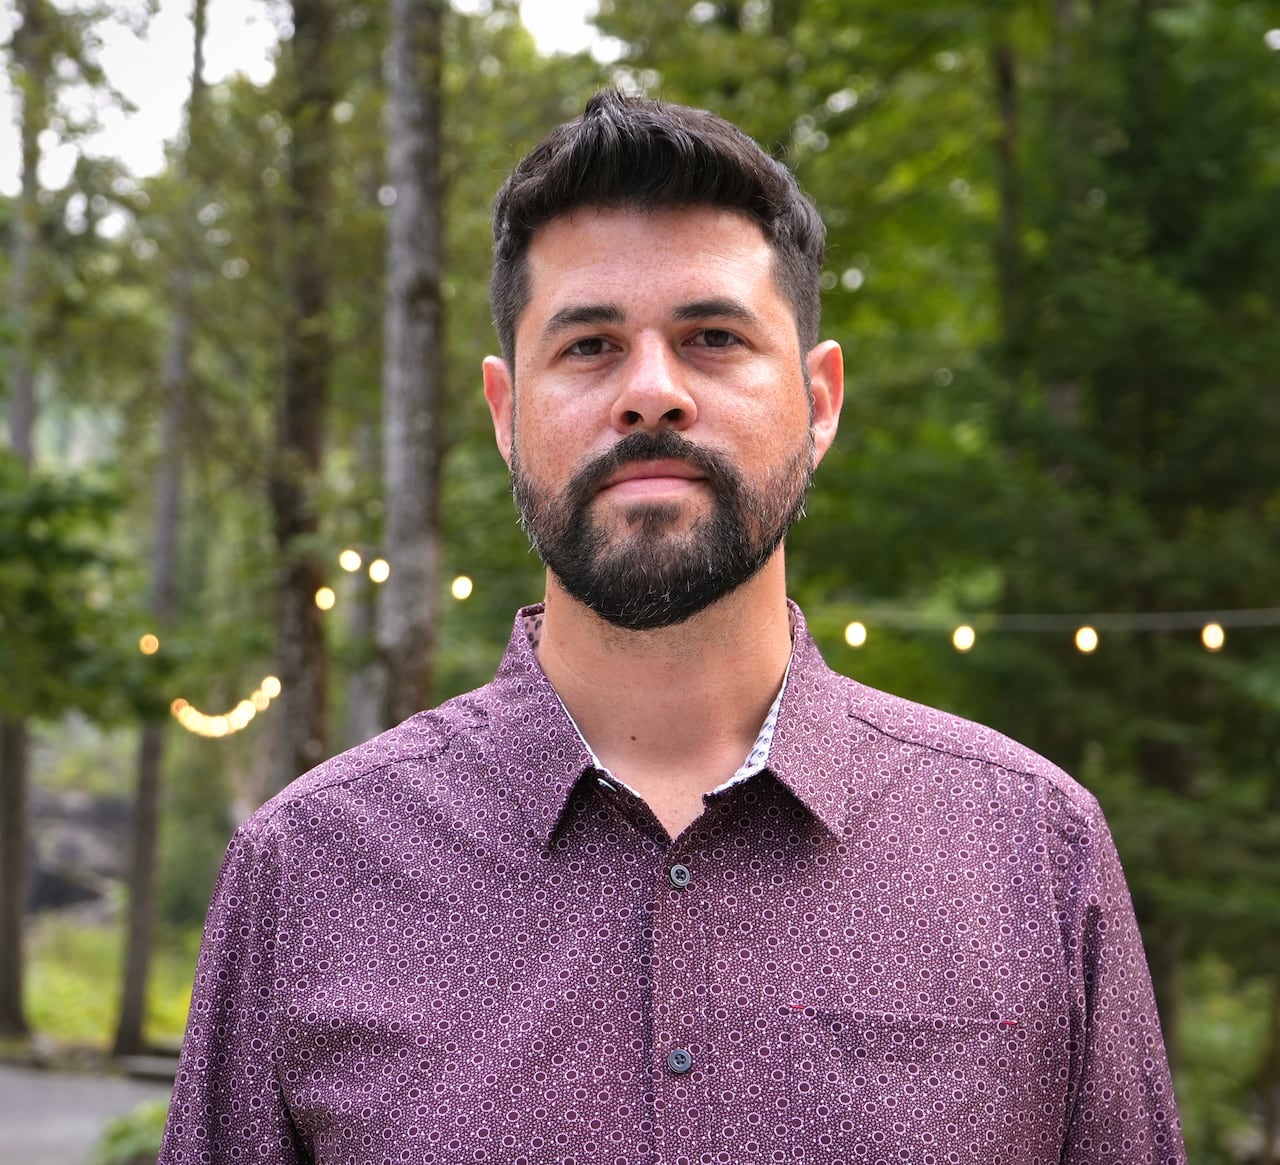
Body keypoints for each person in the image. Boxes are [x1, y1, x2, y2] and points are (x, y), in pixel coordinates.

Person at [159, 91, 1185, 1165]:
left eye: (710, 337)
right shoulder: (311, 868)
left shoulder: (1030, 853)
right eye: (591, 344)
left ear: (818, 398)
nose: (651, 393)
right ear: (506, 413)